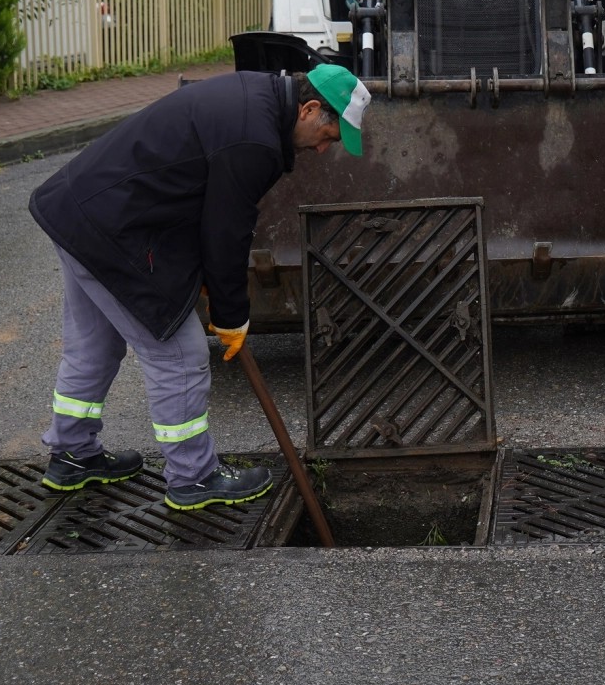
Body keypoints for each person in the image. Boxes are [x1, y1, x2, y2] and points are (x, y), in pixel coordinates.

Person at [30, 65, 372, 510]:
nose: (326, 148)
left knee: (94, 345)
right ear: (308, 109)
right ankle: (193, 477)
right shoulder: (256, 140)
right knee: (180, 354)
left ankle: (72, 454)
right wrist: (230, 316)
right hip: (111, 228)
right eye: (329, 134)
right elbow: (224, 231)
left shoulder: (256, 96)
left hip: (76, 208)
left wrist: (208, 283)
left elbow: (199, 196)